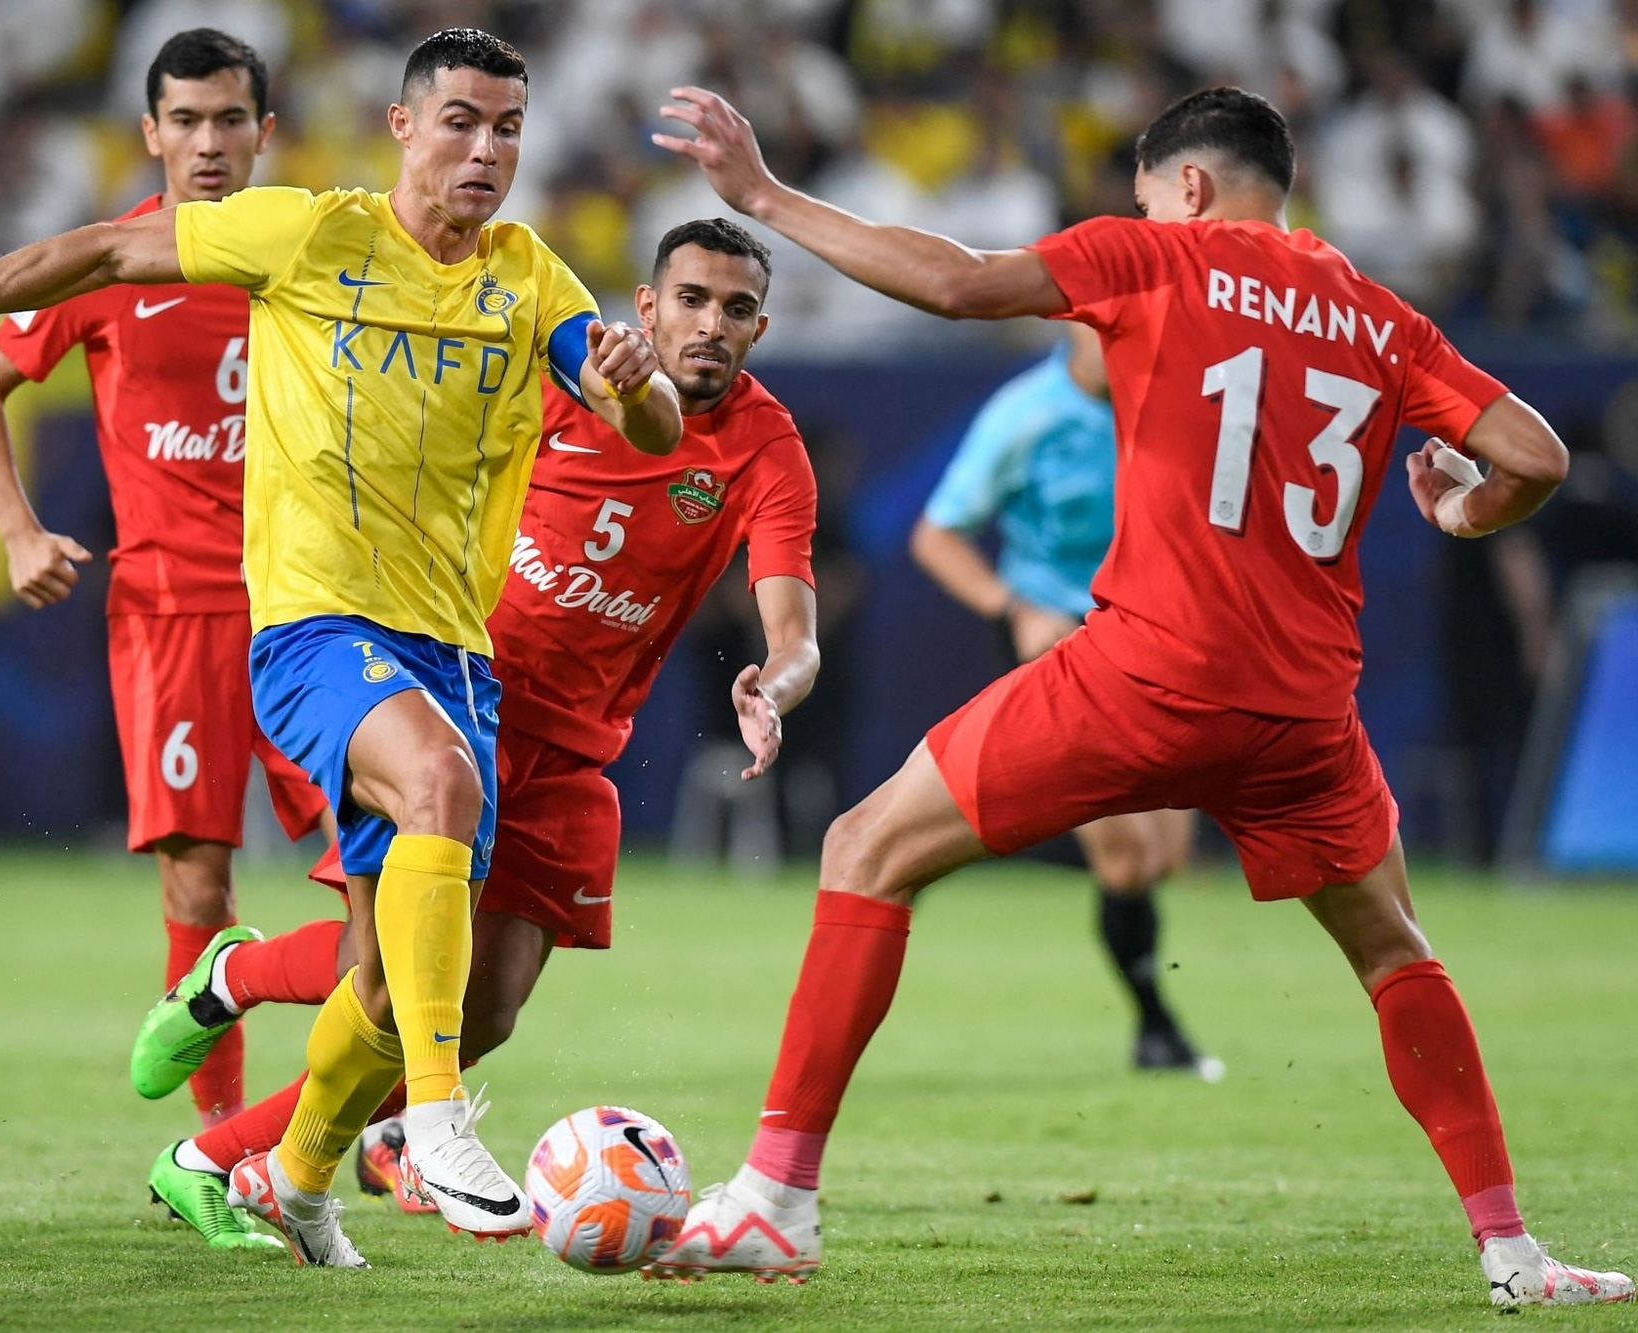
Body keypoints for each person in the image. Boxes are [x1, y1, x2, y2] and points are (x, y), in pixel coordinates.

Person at [644, 84, 1631, 1307]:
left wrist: (762, 198)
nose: (1139, 210)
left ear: (1190, 189)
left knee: (864, 846)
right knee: (1393, 952)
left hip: (1150, 673)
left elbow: (955, 283)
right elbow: (1532, 453)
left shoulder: (1153, 255)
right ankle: (1514, 1254)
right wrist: (1460, 506)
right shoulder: (1380, 320)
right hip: (1303, 714)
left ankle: (777, 1202)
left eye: (1146, 192)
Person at [0, 27, 683, 1269]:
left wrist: (635, 379)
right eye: (458, 120)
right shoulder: (307, 232)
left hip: (448, 647)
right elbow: (95, 250)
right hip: (304, 626)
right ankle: (439, 1125)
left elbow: (656, 421)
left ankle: (289, 1178)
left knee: (385, 977)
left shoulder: (532, 279)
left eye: (506, 128)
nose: (485, 149)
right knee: (433, 795)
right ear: (401, 126)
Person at [131, 217, 820, 1229]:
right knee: (386, 975)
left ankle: (232, 1090)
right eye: (690, 299)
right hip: (459, 708)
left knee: (481, 1009)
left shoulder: (766, 446)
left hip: (578, 749)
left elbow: (792, 624)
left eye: (734, 308)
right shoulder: (558, 383)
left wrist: (777, 681)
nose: (709, 324)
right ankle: (229, 1098)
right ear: (646, 305)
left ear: (759, 327)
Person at [0, 38, 333, 1237]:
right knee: (199, 878)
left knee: (390, 883)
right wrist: (17, 530)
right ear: (151, 133)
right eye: (187, 120)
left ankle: (353, 1130)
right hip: (170, 612)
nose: (210, 143)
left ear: (265, 132)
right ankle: (215, 1169)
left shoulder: (307, 251)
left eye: (230, 119)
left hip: (310, 607)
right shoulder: (110, 262)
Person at [910, 323, 1217, 1080]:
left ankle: (912, 845)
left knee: (1165, 857)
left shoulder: (1169, 405)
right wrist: (1011, 606)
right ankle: (1158, 1030)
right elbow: (936, 532)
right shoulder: (1026, 413)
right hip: (1060, 642)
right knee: (1125, 857)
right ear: (1074, 328)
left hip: (1153, 644)